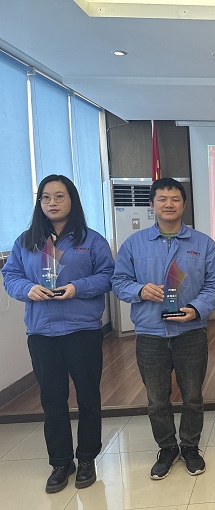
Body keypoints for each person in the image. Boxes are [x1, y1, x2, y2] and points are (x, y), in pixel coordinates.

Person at [2, 175, 114, 493]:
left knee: (88, 397)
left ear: (72, 200)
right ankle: (61, 462)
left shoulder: (91, 240)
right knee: (52, 400)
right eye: (46, 197)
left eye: (60, 196)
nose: (52, 202)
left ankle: (87, 458)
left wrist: (78, 287)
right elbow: (10, 276)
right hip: (42, 332)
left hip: (82, 330)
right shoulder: (27, 241)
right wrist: (28, 288)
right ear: (39, 203)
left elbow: (108, 275)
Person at [112, 178, 215, 480]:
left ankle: (190, 447)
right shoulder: (134, 244)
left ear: (184, 204)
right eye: (162, 199)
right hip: (150, 334)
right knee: (157, 400)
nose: (169, 204)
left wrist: (197, 309)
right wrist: (139, 290)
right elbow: (118, 282)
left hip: (190, 332)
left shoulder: (203, 243)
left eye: (175, 199)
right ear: (151, 205)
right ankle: (167, 448)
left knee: (193, 396)